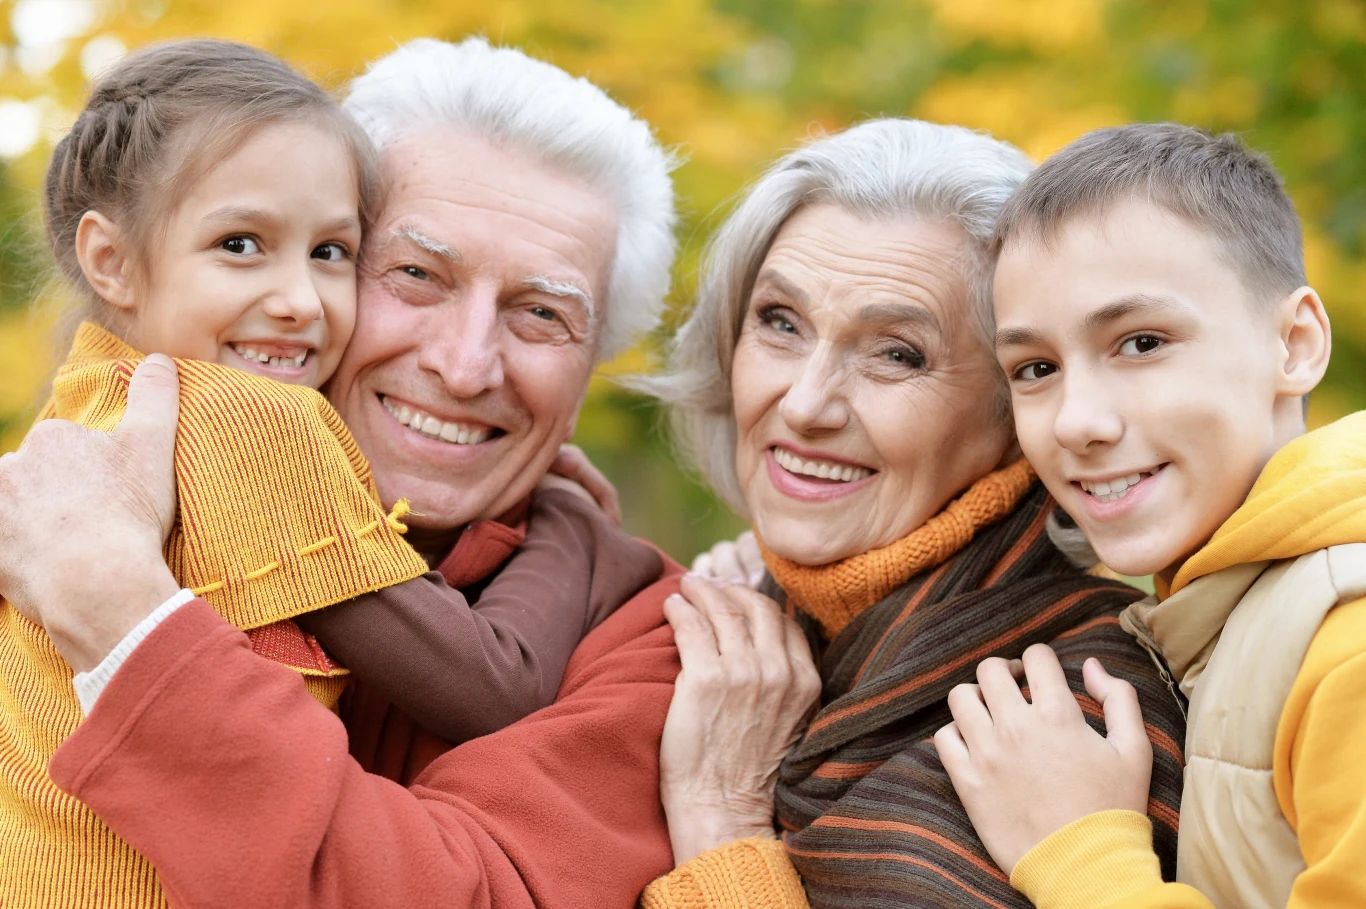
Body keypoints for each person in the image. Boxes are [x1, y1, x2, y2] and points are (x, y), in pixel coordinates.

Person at [0, 36, 702, 909]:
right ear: (112, 261)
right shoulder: (229, 430)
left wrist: (120, 616)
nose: (463, 366)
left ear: (592, 364)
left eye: (540, 313)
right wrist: (569, 518)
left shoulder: (661, 639)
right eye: (416, 273)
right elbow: (499, 682)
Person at [636, 118, 1188, 909]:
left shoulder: (1079, 706)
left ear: (1018, 408)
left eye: (897, 353)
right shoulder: (728, 624)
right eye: (781, 322)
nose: (805, 404)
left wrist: (720, 820)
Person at [938, 123, 1366, 908]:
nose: (1078, 421)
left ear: (1296, 344)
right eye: (1035, 368)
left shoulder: (1349, 646)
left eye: (1141, 342)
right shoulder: (1226, 614)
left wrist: (1083, 853)